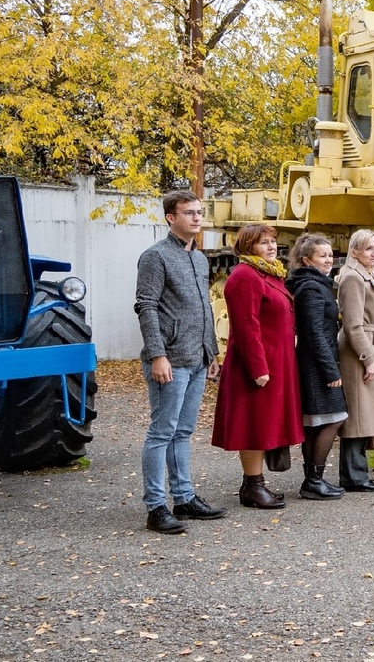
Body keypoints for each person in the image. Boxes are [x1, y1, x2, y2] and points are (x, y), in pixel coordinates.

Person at [135, 189, 225, 534]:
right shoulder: (154, 257)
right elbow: (146, 307)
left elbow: (204, 309)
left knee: (183, 431)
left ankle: (184, 498)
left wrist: (211, 352)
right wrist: (158, 355)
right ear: (171, 218)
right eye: (189, 213)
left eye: (200, 212)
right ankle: (156, 506)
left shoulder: (199, 259)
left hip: (197, 359)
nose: (197, 218)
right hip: (169, 359)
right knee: (161, 432)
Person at [212, 225, 303, 510]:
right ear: (248, 246)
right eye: (263, 242)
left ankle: (254, 484)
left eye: (272, 242)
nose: (271, 246)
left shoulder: (269, 273)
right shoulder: (245, 276)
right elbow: (246, 325)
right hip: (257, 365)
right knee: (254, 424)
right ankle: (253, 485)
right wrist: (258, 367)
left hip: (277, 361)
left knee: (266, 423)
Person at [285, 234, 347, 499]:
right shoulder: (311, 288)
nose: (329, 259)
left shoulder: (315, 283)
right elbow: (313, 333)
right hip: (316, 364)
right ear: (306, 259)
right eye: (323, 256)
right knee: (334, 418)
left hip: (315, 362)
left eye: (330, 255)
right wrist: (330, 370)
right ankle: (313, 479)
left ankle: (313, 479)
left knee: (316, 422)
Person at [336, 229, 374, 493]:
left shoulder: (366, 274)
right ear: (354, 250)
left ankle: (358, 471)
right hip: (360, 349)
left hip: (371, 342)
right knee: (357, 413)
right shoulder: (353, 278)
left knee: (365, 412)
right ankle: (353, 475)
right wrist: (369, 358)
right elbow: (353, 325)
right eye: (368, 248)